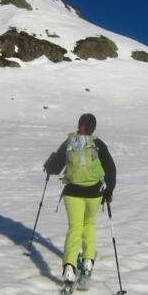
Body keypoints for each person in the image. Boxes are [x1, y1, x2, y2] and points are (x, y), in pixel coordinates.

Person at [43, 113, 116, 283]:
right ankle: (88, 261)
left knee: (75, 228)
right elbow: (111, 170)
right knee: (88, 223)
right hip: (94, 193)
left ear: (79, 125)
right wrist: (109, 192)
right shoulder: (98, 144)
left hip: (72, 193)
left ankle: (69, 266)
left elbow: (55, 168)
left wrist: (49, 166)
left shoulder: (70, 142)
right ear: (93, 128)